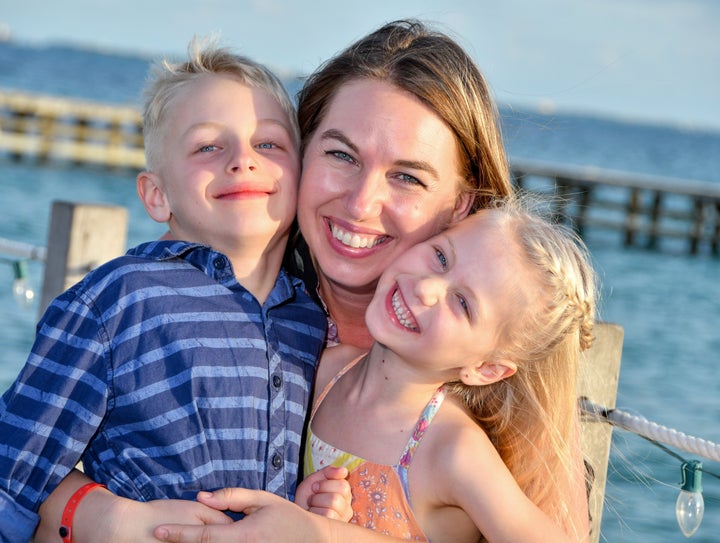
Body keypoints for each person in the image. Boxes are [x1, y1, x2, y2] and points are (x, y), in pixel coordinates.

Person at [33, 19, 590, 543]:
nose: (361, 202)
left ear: (461, 205)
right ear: (301, 152)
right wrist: (106, 516)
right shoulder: (250, 318)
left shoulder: (502, 382)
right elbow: (35, 464)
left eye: (406, 176)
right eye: (341, 155)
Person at [0, 38, 350, 543]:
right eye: (208, 146)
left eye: (269, 143)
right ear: (157, 196)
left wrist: (305, 506)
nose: (242, 160)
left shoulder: (309, 318)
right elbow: (15, 470)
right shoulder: (121, 300)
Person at [158, 195, 598, 542]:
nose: (426, 288)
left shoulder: (451, 450)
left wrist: (326, 535)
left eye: (462, 303)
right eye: (441, 257)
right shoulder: (325, 372)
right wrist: (304, 503)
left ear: (484, 369)